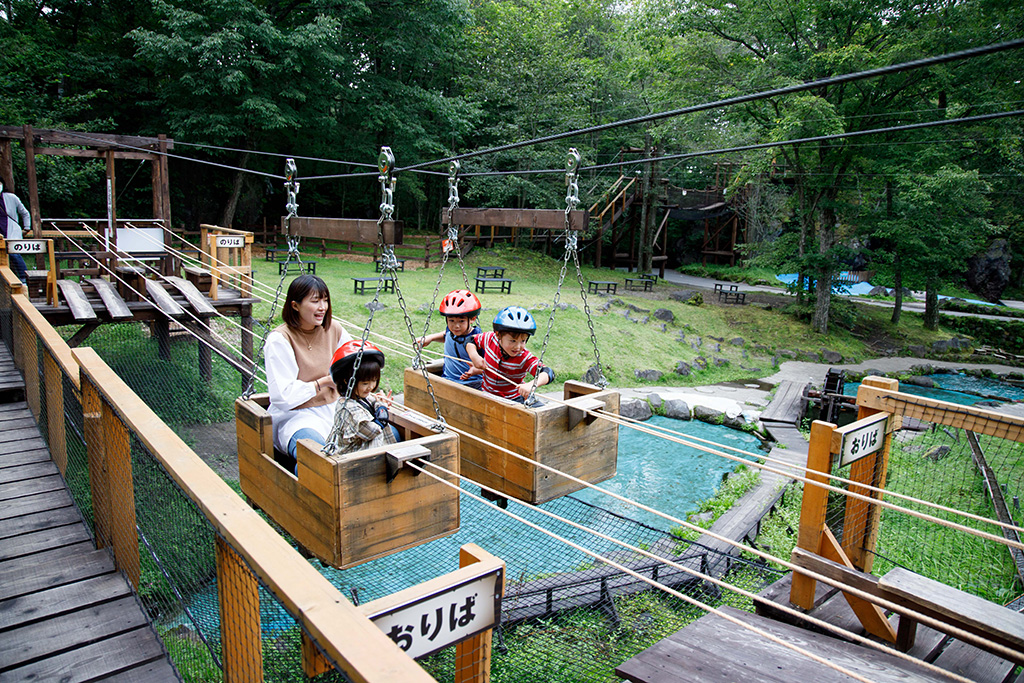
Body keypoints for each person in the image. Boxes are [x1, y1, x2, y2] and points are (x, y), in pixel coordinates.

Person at [265, 274, 350, 472]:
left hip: (333, 409)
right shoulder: (280, 339)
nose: (323, 307)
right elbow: (283, 396)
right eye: (315, 301)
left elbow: (354, 363)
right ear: (295, 305)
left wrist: (368, 391)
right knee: (317, 463)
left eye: (325, 300)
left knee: (389, 438)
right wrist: (322, 383)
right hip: (297, 416)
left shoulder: (333, 329)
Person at [466, 306, 555, 403]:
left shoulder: (524, 357)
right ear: (498, 335)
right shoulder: (490, 339)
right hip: (486, 393)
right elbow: (471, 340)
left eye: (523, 341)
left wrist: (531, 385)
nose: (517, 347)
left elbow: (548, 372)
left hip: (512, 400)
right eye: (513, 341)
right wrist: (474, 356)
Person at [328, 340, 399, 454]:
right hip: (353, 459)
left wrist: (379, 403)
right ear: (347, 381)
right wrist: (382, 408)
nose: (370, 387)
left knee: (396, 433)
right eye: (365, 383)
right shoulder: (347, 407)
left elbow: (374, 401)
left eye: (374, 381)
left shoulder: (362, 396)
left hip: (369, 451)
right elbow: (373, 430)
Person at [414, 289, 483, 388]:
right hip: (447, 379)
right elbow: (446, 336)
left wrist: (477, 370)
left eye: (461, 321)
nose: (456, 326)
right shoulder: (451, 331)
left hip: (471, 383)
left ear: (472, 319)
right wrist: (431, 338)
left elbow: (488, 365)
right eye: (451, 321)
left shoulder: (477, 339)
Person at [0, 179, 30, 284]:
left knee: (14, 255)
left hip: (11, 232)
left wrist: (26, 227)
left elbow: (25, 213)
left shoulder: (11, 198)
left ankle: (23, 279)